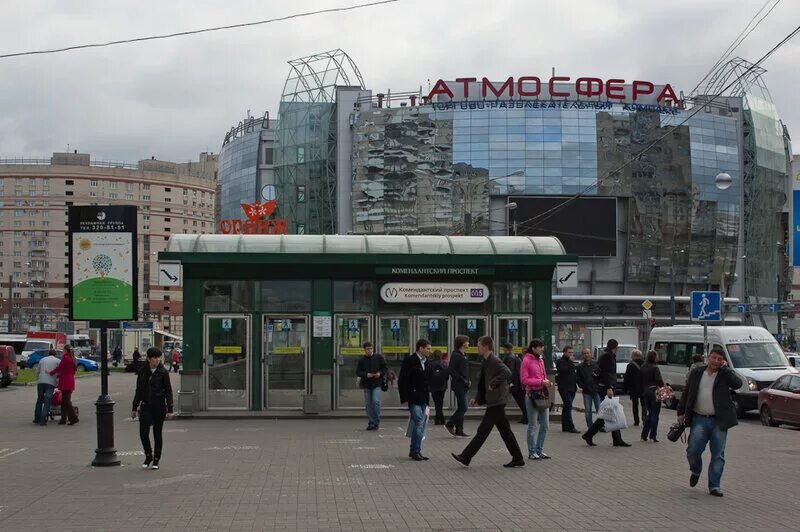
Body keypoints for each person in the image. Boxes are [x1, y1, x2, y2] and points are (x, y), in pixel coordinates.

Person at [451, 336, 525, 468]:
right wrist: (478, 397)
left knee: (483, 430)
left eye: (479, 345)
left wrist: (494, 383)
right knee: (505, 431)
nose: (477, 348)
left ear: (485, 346)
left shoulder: (495, 360)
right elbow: (482, 382)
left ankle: (466, 456)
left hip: (497, 400)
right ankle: (518, 458)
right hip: (494, 400)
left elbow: (507, 373)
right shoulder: (485, 361)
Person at [677, 347, 743, 497]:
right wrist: (681, 411)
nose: (716, 361)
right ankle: (695, 470)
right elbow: (687, 392)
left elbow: (738, 384)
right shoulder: (697, 373)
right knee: (692, 450)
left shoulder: (724, 375)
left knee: (718, 454)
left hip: (719, 421)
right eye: (714, 358)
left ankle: (714, 486)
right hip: (699, 418)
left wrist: (726, 369)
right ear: (708, 358)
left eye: (719, 359)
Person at [581, 339, 630, 447]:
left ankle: (616, 439)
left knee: (611, 413)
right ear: (615, 347)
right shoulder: (608, 356)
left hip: (606, 387)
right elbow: (607, 373)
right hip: (607, 388)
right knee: (608, 413)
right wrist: (609, 387)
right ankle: (590, 434)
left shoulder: (606, 355)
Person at [132, 348, 174, 470]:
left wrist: (170, 409)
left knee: (157, 433)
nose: (157, 360)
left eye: (158, 357)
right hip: (145, 406)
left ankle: (156, 459)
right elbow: (138, 390)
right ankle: (148, 455)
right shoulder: (142, 372)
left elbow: (168, 391)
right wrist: (134, 407)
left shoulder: (163, 372)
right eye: (154, 357)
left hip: (159, 406)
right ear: (149, 359)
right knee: (143, 432)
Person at [399, 339, 432, 461]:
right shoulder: (410, 361)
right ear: (420, 348)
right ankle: (414, 451)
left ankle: (416, 450)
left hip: (424, 397)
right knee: (418, 421)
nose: (430, 351)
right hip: (413, 397)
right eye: (428, 348)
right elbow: (402, 379)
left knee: (421, 423)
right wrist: (405, 398)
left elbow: (428, 378)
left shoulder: (427, 361)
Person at [521, 339, 552, 460]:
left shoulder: (540, 360)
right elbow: (524, 380)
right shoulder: (526, 360)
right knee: (533, 425)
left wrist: (546, 382)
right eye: (540, 347)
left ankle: (539, 450)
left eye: (542, 347)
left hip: (542, 394)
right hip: (532, 395)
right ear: (533, 348)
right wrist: (540, 382)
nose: (542, 349)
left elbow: (543, 375)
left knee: (545, 425)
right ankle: (532, 451)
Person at [355, 341, 388, 431]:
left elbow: (385, 368)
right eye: (367, 349)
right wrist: (366, 374)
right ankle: (371, 422)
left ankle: (376, 422)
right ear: (364, 350)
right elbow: (358, 372)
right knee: (368, 404)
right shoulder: (362, 360)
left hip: (377, 383)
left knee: (375, 401)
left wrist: (379, 373)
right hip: (367, 384)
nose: (369, 350)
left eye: (371, 348)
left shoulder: (378, 357)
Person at [445, 335, 471, 437]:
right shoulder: (456, 355)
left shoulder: (464, 354)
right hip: (459, 385)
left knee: (461, 407)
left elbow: (465, 370)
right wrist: (462, 379)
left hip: (464, 384)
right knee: (464, 407)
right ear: (462, 343)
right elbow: (451, 370)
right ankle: (450, 424)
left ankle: (459, 429)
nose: (468, 343)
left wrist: (468, 380)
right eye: (467, 341)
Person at [49, 345, 79, 425]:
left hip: (65, 382)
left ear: (66, 350)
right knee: (64, 401)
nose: (62, 352)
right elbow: (68, 370)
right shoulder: (73, 358)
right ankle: (63, 419)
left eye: (63, 350)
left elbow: (59, 368)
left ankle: (73, 418)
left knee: (66, 402)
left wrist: (51, 372)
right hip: (70, 381)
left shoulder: (65, 358)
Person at [640, 350, 665, 442]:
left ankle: (644, 435)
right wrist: (663, 386)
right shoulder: (655, 368)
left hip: (646, 391)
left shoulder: (643, 367)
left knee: (650, 413)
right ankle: (653, 435)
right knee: (655, 414)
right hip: (654, 391)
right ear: (654, 357)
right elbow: (659, 380)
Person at [555, 345, 580, 433]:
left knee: (566, 407)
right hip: (564, 387)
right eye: (569, 352)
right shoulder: (560, 361)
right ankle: (571, 426)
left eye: (572, 352)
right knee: (568, 405)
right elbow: (563, 370)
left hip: (572, 387)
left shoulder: (571, 363)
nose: (571, 354)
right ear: (564, 352)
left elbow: (573, 374)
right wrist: (570, 362)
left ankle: (565, 426)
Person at [501, 342, 528, 424]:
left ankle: (526, 417)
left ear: (505, 348)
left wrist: (509, 382)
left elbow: (510, 371)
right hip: (518, 383)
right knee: (521, 401)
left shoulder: (509, 358)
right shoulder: (514, 357)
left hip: (515, 384)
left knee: (520, 401)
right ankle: (525, 417)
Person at [576, 347, 601, 429]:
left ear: (590, 354)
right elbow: (578, 378)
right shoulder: (580, 367)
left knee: (599, 409)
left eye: (588, 353)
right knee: (588, 410)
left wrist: (598, 385)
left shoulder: (596, 364)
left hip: (596, 390)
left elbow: (601, 375)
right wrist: (582, 385)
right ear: (582, 355)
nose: (586, 355)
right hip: (587, 391)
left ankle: (600, 426)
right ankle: (590, 427)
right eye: (584, 353)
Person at [33, 349, 59, 426]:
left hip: (41, 381)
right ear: (55, 354)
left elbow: (37, 371)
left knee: (40, 399)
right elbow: (59, 372)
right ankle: (43, 420)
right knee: (47, 400)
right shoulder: (58, 361)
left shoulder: (42, 360)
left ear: (48, 353)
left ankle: (36, 418)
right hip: (50, 382)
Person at [427, 350, 449, 425]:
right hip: (442, 386)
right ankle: (440, 419)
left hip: (433, 386)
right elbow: (447, 375)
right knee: (440, 402)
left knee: (437, 402)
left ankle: (438, 419)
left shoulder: (430, 364)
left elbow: (428, 375)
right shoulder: (444, 364)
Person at [624, 349, 645, 426]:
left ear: (634, 356)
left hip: (634, 388)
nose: (631, 356)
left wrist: (625, 388)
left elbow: (627, 378)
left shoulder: (630, 365)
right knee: (644, 404)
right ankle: (644, 418)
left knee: (635, 405)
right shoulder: (645, 364)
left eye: (632, 355)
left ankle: (636, 421)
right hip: (643, 387)